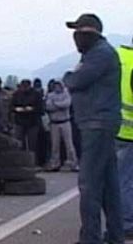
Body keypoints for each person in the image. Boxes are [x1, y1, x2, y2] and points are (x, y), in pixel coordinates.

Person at [63, 13, 123, 244]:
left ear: (89, 33)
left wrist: (69, 76)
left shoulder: (99, 54)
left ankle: (90, 238)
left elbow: (77, 81)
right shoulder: (98, 53)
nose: (75, 37)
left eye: (78, 32)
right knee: (109, 186)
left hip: (96, 125)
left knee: (89, 185)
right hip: (99, 124)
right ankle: (115, 236)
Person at [116, 36, 133, 239]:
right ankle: (127, 223)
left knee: (121, 180)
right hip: (128, 133)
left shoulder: (117, 56)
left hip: (114, 128)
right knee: (125, 181)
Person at [44, 81, 78, 172]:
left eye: (59, 85)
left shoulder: (66, 94)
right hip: (54, 123)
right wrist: (59, 105)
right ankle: (55, 163)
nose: (57, 87)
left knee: (69, 144)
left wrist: (55, 104)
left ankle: (73, 163)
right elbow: (48, 106)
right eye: (55, 86)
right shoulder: (50, 95)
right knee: (55, 145)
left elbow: (66, 104)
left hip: (65, 122)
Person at [10, 79, 44, 158]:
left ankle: (33, 160)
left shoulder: (36, 94)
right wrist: (17, 109)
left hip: (33, 121)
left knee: (33, 143)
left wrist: (32, 109)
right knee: (19, 143)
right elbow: (11, 107)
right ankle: (21, 160)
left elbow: (41, 109)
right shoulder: (16, 94)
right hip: (19, 121)